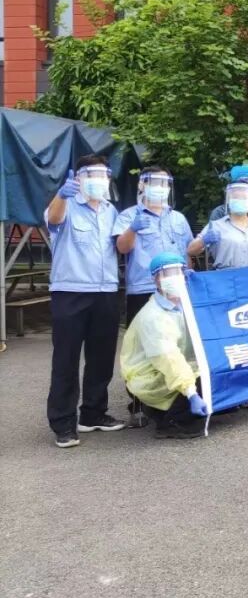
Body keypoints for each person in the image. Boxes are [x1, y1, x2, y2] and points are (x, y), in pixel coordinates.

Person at [45, 156, 126, 448]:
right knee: (66, 359)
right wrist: (61, 195)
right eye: (91, 175)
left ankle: (93, 413)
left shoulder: (110, 210)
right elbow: (54, 220)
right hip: (71, 291)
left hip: (106, 291)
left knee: (101, 357)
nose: (98, 180)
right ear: (78, 178)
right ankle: (63, 423)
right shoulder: (65, 204)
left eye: (103, 175)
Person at [113, 166, 195, 427]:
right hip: (142, 288)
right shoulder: (129, 215)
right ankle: (137, 405)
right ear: (142, 186)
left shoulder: (178, 218)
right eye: (153, 182)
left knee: (177, 344)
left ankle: (176, 397)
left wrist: (188, 278)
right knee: (142, 350)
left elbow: (187, 253)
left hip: (175, 290)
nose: (159, 188)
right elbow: (122, 247)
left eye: (164, 183)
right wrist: (133, 229)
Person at [119, 252, 209, 440]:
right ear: (156, 279)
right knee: (203, 383)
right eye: (167, 274)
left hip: (175, 368)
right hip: (151, 374)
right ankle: (171, 422)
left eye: (179, 272)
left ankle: (164, 409)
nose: (175, 278)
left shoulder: (186, 305)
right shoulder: (153, 316)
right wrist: (191, 392)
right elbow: (168, 359)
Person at [188, 181, 248, 269]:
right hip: (225, 276)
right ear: (229, 201)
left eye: (244, 197)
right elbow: (191, 251)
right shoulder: (216, 226)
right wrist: (203, 241)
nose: (239, 200)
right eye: (235, 197)